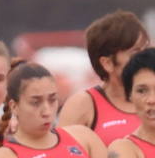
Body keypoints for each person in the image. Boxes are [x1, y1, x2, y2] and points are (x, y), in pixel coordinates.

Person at [58, 9, 150, 144]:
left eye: (146, 50)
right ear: (107, 63)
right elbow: (62, 154)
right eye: (135, 53)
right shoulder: (83, 105)